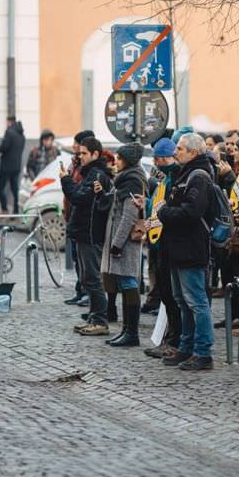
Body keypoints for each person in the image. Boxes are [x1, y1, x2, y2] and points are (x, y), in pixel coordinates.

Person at [158, 133, 216, 370]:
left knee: (196, 302)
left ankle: (203, 352)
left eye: (180, 149)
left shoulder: (198, 176)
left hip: (191, 247)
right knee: (182, 301)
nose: (175, 152)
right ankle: (186, 347)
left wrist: (164, 212)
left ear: (193, 152)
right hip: (178, 247)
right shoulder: (185, 173)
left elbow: (192, 211)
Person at [95, 143, 148, 346]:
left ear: (127, 160)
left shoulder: (133, 180)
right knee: (125, 282)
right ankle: (126, 330)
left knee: (129, 282)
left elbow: (129, 215)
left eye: (119, 158)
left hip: (126, 242)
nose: (115, 161)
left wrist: (117, 244)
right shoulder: (125, 178)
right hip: (121, 240)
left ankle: (132, 333)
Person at [60, 137, 113, 336]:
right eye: (79, 153)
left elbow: (79, 198)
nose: (80, 157)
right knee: (86, 278)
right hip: (84, 232)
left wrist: (65, 179)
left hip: (91, 234)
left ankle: (100, 320)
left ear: (95, 154)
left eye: (83, 153)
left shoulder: (97, 174)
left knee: (92, 278)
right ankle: (94, 316)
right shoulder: (90, 172)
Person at [143, 138, 185, 360]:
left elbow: (171, 209)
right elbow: (157, 204)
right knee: (167, 295)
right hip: (159, 241)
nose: (157, 163)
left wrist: (160, 214)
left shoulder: (175, 177)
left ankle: (176, 340)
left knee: (174, 296)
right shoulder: (164, 178)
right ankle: (172, 337)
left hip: (170, 243)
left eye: (160, 158)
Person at [64, 130, 96, 308]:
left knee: (87, 264)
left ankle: (87, 294)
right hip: (73, 216)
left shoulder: (89, 171)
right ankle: (80, 290)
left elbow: (78, 193)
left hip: (85, 223)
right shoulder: (75, 164)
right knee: (78, 260)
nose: (74, 148)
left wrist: (66, 180)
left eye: (78, 145)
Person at [0, 115, 25, 214]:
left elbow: (4, 146)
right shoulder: (22, 135)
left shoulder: (9, 132)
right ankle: (16, 211)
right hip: (16, 166)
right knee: (14, 189)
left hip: (6, 166)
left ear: (9, 122)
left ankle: (4, 209)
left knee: (0, 187)